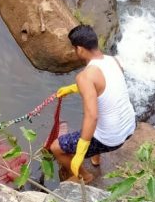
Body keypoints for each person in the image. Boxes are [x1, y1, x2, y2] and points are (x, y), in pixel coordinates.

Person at [50, 25, 136, 182]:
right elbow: (107, 87)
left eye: (74, 49)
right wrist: (73, 89)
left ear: (80, 50)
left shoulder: (85, 77)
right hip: (129, 126)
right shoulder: (113, 60)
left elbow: (92, 116)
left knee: (56, 148)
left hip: (110, 138)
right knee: (100, 116)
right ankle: (96, 159)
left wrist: (81, 151)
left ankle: (85, 176)